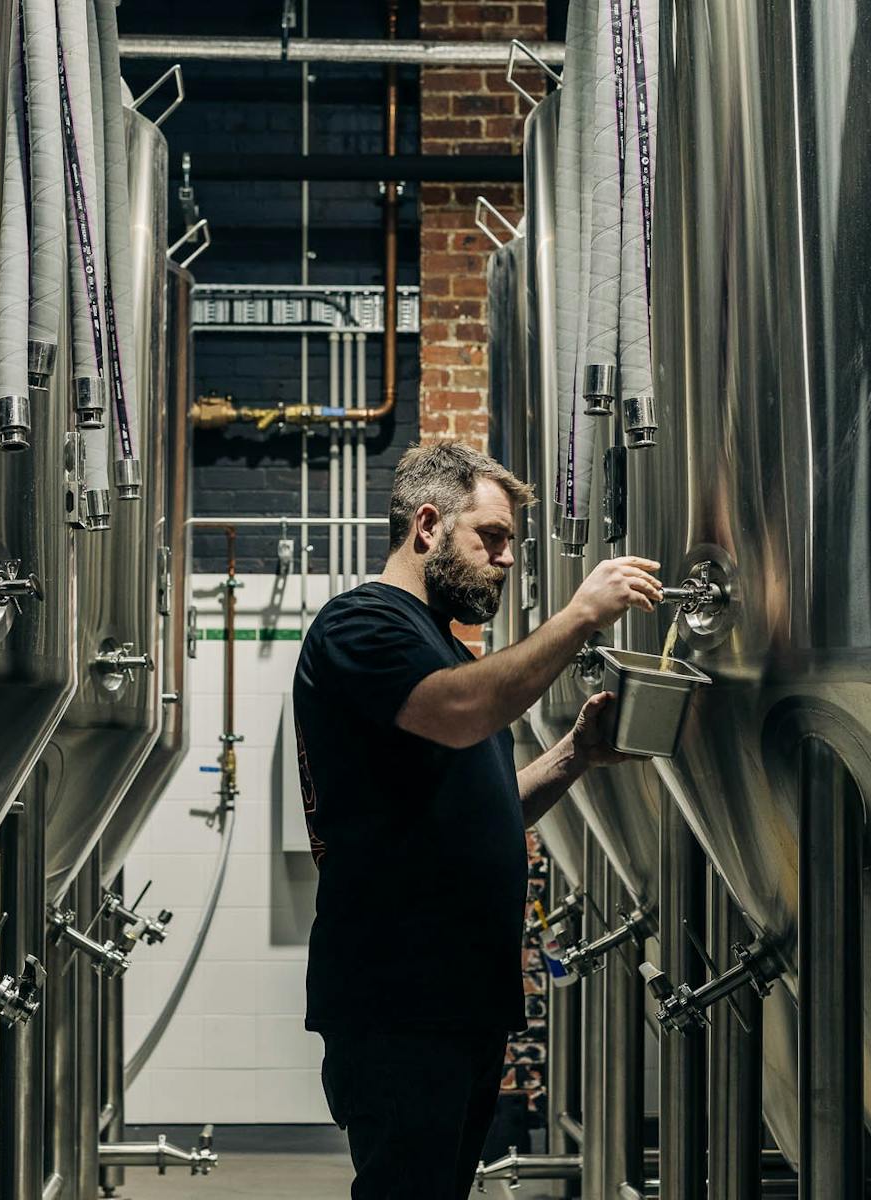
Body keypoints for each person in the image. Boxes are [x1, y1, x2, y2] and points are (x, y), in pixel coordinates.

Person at [292, 442, 663, 1200]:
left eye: (510, 545)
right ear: (427, 525)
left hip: (459, 996)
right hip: (400, 999)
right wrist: (581, 616)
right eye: (489, 538)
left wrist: (575, 755)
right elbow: (462, 714)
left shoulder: (443, 647)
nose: (504, 560)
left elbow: (482, 812)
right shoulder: (361, 625)